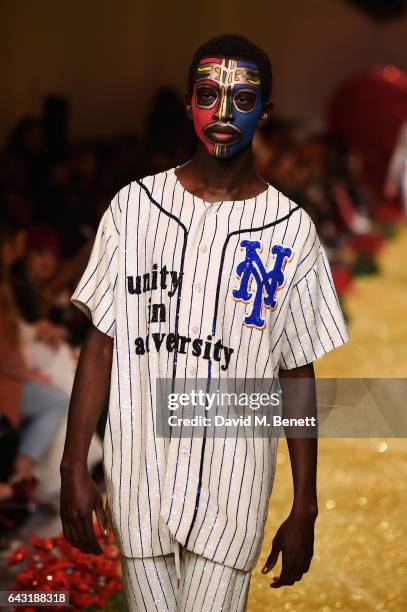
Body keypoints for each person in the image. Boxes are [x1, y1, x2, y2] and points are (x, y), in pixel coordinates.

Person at [60, 34, 349, 611]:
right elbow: (101, 345)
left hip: (232, 486)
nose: (222, 114)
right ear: (187, 103)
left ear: (266, 111)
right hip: (138, 477)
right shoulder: (134, 209)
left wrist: (305, 505)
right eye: (208, 94)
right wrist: (73, 465)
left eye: (242, 100)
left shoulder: (290, 232)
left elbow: (298, 372)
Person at [0, 219, 69, 487]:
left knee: (61, 378)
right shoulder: (11, 286)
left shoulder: (13, 286)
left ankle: (30, 474)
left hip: (14, 371)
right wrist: (26, 373)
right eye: (38, 252)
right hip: (10, 378)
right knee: (58, 395)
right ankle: (25, 475)